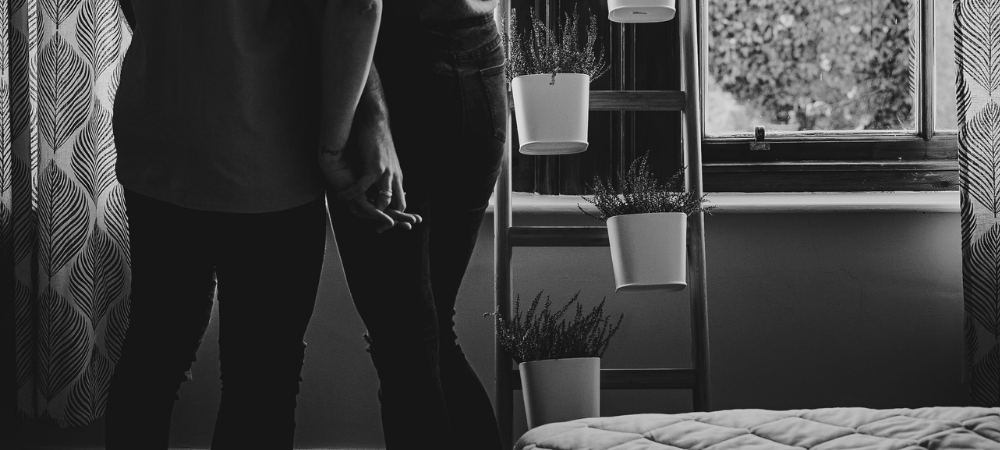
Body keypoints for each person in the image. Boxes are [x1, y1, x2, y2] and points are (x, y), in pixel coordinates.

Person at [105, 1, 417, 449]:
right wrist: (334, 146)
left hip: (160, 136)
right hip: (269, 148)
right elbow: (357, 7)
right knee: (261, 383)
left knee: (152, 356)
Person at [326, 0, 506, 448]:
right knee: (429, 335)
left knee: (406, 345)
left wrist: (364, 118)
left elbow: (359, 5)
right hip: (480, 58)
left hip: (393, 70)